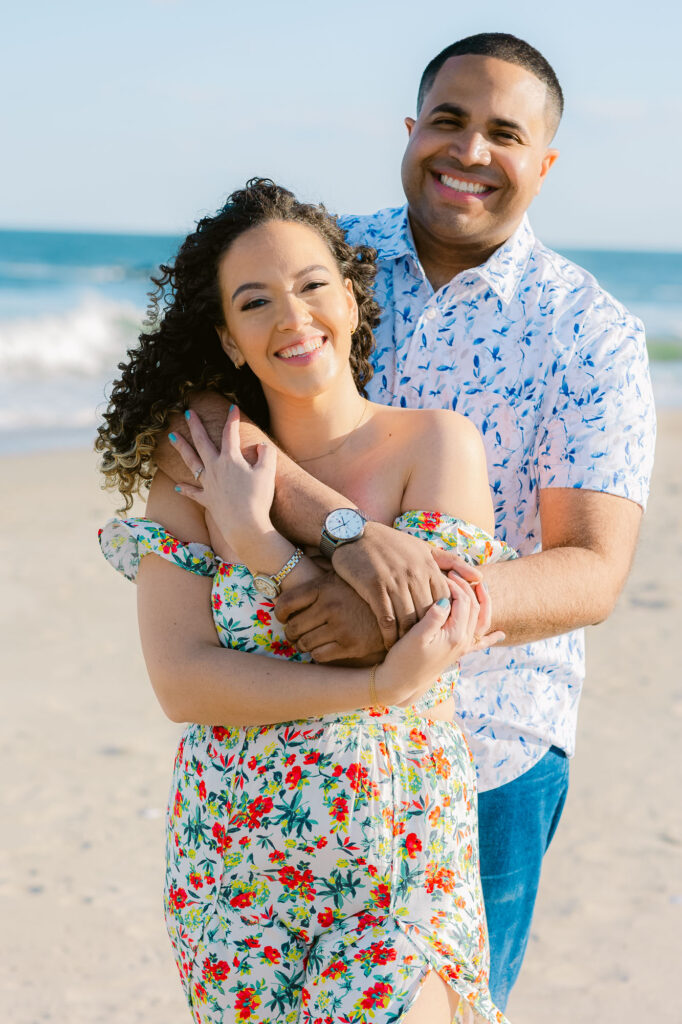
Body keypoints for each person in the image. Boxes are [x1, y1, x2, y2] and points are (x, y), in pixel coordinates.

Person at [153, 34, 656, 1009]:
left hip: (486, 745)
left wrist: (405, 614)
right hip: (287, 717)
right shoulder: (324, 265)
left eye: (503, 134)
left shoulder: (588, 333)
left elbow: (592, 568)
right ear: (411, 129)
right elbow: (193, 408)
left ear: (543, 165)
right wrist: (348, 534)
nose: (468, 151)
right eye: (448, 120)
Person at [97, 180, 516, 1023]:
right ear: (229, 337)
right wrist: (373, 691)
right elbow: (184, 683)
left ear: (353, 300)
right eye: (255, 301)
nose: (292, 316)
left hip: (398, 857)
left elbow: (413, 630)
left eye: (313, 285)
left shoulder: (436, 444)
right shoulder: (197, 464)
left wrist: (271, 551)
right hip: (236, 872)